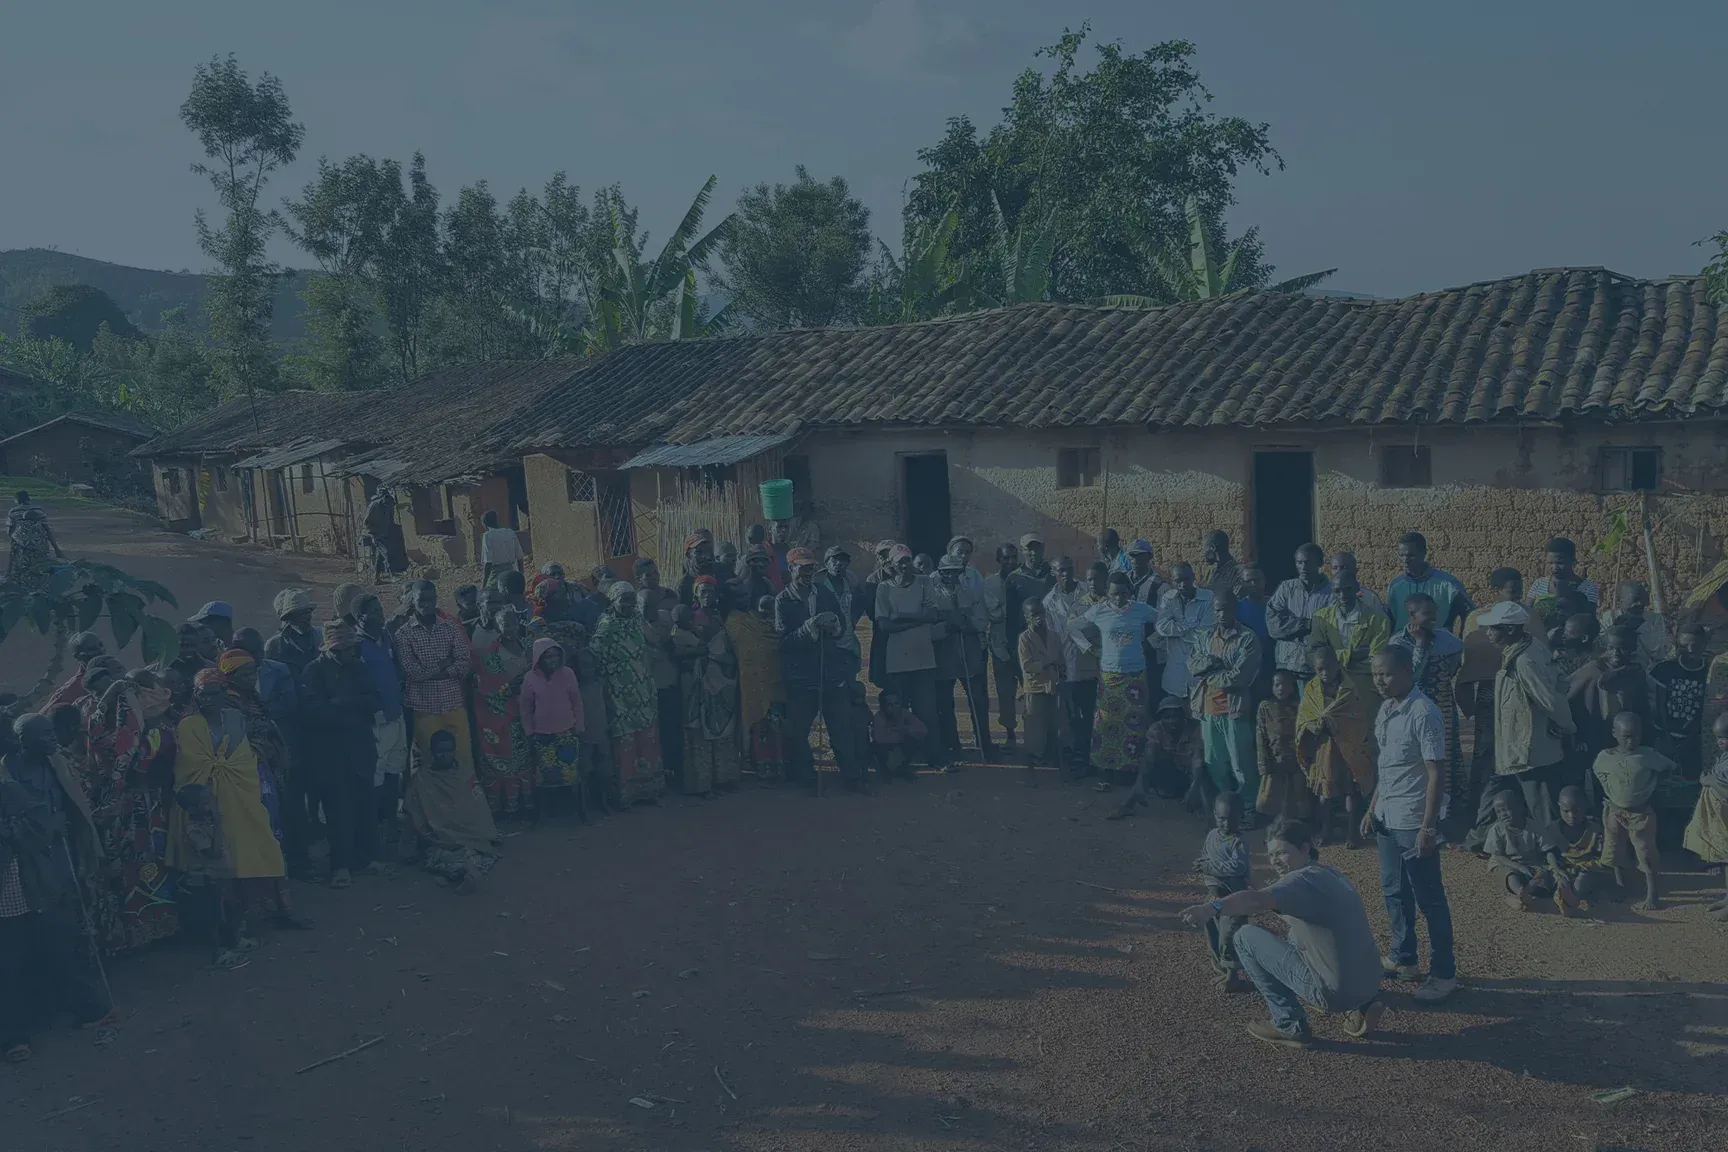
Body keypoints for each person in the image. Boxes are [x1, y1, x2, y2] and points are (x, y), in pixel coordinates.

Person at [1179, 818, 1384, 1047]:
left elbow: (1256, 902)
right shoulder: (1329, 874)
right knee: (1297, 934)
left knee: (1244, 937)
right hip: (1371, 980)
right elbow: (1273, 904)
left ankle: (1289, 1024)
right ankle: (1363, 1005)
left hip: (1336, 993)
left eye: (1282, 853)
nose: (1276, 861)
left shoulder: (1299, 881)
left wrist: (1211, 908)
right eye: (1272, 855)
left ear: (1305, 848)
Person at [0, 714, 113, 1060]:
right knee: (9, 964)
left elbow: (35, 820)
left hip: (29, 877)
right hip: (12, 883)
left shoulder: (7, 781)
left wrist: (43, 827)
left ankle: (87, 1012)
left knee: (57, 944)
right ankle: (13, 1038)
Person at [171, 670, 288, 969]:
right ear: (195, 696)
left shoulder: (236, 720)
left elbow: (244, 762)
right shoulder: (189, 726)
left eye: (213, 692)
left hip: (241, 802)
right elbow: (191, 769)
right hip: (206, 811)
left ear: (225, 693)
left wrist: (226, 774)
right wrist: (214, 787)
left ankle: (239, 933)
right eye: (202, 693)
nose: (207, 698)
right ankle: (220, 945)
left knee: (255, 855)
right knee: (216, 883)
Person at [1366, 646, 1457, 1002]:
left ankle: (1444, 974)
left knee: (1429, 898)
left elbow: (1436, 773)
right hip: (1388, 815)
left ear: (1407, 672)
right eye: (1376, 674)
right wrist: (1372, 806)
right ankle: (1404, 958)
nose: (1380, 680)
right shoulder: (1386, 709)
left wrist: (1428, 827)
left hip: (1413, 819)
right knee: (1393, 891)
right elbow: (1388, 767)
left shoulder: (1424, 712)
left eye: (1386, 674)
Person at [77, 657, 179, 952]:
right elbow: (135, 759)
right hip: (133, 809)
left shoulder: (112, 721)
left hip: (144, 805)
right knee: (139, 867)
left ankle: (156, 926)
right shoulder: (116, 727)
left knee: (152, 863)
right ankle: (144, 929)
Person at [1471, 600, 1575, 851]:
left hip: (1528, 748)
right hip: (1513, 744)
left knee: (1540, 805)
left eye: (1493, 628)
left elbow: (1549, 699)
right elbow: (1560, 680)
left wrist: (1566, 726)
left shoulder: (1524, 661)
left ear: (1509, 630)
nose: (1488, 633)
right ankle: (1480, 841)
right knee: (1496, 792)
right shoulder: (1532, 647)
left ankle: (1556, 853)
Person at [299, 621, 381, 889]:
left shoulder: (359, 667)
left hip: (361, 748)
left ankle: (363, 859)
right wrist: (350, 707)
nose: (349, 652)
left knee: (364, 807)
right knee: (337, 812)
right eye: (343, 648)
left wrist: (341, 702)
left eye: (350, 647)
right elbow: (315, 714)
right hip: (330, 755)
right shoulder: (314, 671)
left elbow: (373, 700)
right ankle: (340, 866)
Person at [778, 549, 866, 791]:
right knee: (798, 732)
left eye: (811, 568)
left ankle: (853, 778)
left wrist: (834, 625)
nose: (807, 573)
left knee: (841, 731)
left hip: (831, 672)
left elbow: (842, 624)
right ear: (791, 569)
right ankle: (807, 778)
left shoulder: (824, 593)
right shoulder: (783, 601)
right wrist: (809, 629)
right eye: (802, 568)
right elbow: (783, 642)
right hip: (802, 677)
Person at [1072, 572, 1160, 787]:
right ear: (1108, 593)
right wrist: (1091, 648)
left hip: (1135, 675)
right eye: (1114, 593)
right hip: (1110, 676)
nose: (1119, 597)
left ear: (1129, 591)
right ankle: (1106, 772)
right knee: (1106, 724)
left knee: (1134, 724)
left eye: (1123, 592)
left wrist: (1151, 642)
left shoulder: (1140, 609)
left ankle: (1128, 772)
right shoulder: (1099, 610)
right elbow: (1072, 626)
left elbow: (1165, 621)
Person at [1456, 569, 1525, 837]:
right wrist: (1470, 707)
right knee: (1486, 760)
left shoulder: (1527, 616)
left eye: (1520, 590)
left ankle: (1516, 819)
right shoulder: (1478, 620)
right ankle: (1480, 822)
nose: (1517, 595)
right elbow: (1468, 664)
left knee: (1517, 758)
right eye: (1511, 590)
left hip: (1520, 699)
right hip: (1490, 696)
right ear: (1496, 591)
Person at [1388, 592, 1466, 822]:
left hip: (1442, 710)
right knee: (1418, 761)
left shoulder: (1445, 638)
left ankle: (1445, 817)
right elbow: (1409, 678)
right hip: (1412, 713)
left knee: (1444, 760)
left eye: (1436, 614)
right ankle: (1417, 817)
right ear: (1411, 615)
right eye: (1428, 615)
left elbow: (1457, 657)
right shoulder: (1398, 643)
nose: (1435, 619)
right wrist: (1421, 646)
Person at [1187, 588, 1263, 819]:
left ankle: (1249, 807)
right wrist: (1211, 664)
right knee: (1215, 761)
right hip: (1208, 709)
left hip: (1234, 708)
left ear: (1235, 609)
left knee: (1242, 763)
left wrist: (1209, 674)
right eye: (1218, 609)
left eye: (1226, 609)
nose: (1221, 614)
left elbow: (1240, 677)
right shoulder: (1204, 637)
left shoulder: (1247, 638)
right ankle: (1227, 807)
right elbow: (1192, 664)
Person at [590, 582, 665, 806]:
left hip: (643, 690)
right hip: (619, 693)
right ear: (613, 601)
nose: (630, 604)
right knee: (625, 741)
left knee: (647, 738)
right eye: (624, 600)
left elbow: (652, 642)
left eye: (632, 599)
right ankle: (626, 794)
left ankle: (649, 790)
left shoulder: (636, 620)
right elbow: (595, 656)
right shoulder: (606, 625)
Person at [398, 729, 501, 890]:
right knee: (437, 857)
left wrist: (485, 833)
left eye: (448, 751)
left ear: (454, 750)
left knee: (473, 853)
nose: (445, 755)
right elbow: (411, 812)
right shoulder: (421, 779)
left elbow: (480, 809)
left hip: (470, 835)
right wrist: (408, 849)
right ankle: (467, 872)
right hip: (439, 838)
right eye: (440, 751)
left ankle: (463, 872)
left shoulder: (466, 774)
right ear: (432, 752)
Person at [1296, 642, 1375, 848]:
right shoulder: (1311, 689)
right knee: (1325, 794)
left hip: (1348, 748)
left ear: (1338, 664)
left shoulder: (1349, 688)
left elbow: (1357, 718)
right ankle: (1326, 830)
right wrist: (1314, 726)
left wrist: (1335, 723)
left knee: (1351, 792)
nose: (1324, 673)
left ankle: (1352, 833)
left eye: (1328, 668)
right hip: (1324, 748)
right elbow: (1304, 718)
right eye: (1319, 669)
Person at [874, 544, 944, 771]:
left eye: (908, 560)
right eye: (900, 562)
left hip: (923, 657)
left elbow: (933, 615)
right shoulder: (884, 588)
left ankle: (935, 756)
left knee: (927, 712)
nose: (905, 565)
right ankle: (901, 761)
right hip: (896, 661)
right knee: (897, 713)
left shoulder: (924, 582)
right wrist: (919, 619)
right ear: (892, 565)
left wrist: (900, 617)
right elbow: (884, 624)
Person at [1592, 711, 1670, 911]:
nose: (1631, 741)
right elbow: (1598, 772)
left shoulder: (1647, 755)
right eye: (1626, 736)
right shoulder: (1604, 757)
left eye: (1636, 735)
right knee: (1615, 849)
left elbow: (1667, 767)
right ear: (1614, 734)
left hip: (1641, 814)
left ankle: (1652, 894)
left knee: (1645, 852)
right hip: (1614, 812)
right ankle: (1620, 887)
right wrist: (1610, 791)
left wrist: (1652, 784)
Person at [396, 580, 475, 775]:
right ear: (412, 601)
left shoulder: (450, 627)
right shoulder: (403, 634)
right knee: (427, 764)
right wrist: (444, 664)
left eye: (430, 599)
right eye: (421, 600)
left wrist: (430, 674)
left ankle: (463, 804)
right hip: (423, 709)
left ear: (436, 599)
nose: (426, 605)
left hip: (453, 705)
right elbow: (412, 673)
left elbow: (464, 664)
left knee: (462, 760)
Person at [351, 596, 407, 845]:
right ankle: (372, 830)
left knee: (396, 768)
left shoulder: (386, 638)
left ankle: (391, 821)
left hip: (396, 715)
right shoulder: (355, 646)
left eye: (380, 609)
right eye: (373, 612)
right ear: (359, 618)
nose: (380, 615)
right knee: (377, 775)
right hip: (376, 721)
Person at [471, 605, 533, 817]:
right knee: (502, 763)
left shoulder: (528, 647)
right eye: (505, 625)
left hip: (527, 714)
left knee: (525, 762)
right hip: (501, 716)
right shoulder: (490, 656)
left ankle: (526, 806)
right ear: (497, 628)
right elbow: (487, 688)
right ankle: (505, 809)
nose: (511, 629)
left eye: (514, 623)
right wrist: (509, 690)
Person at [681, 589, 743, 795]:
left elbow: (731, 651)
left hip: (722, 684)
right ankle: (701, 784)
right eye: (703, 592)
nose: (708, 595)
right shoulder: (687, 618)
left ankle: (725, 779)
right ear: (695, 595)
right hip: (697, 687)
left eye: (711, 592)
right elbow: (679, 652)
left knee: (723, 731)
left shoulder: (722, 618)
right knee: (699, 734)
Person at [932, 552, 992, 763]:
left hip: (970, 652)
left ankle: (985, 744)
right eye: (946, 573)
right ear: (940, 573)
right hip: (943, 655)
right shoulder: (932, 595)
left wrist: (966, 624)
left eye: (955, 572)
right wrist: (947, 626)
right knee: (945, 704)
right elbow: (929, 629)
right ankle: (952, 745)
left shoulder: (970, 593)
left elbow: (982, 621)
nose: (951, 576)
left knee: (978, 700)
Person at [1043, 558, 1101, 771]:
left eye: (1068, 570)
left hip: (1091, 661)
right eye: (1060, 571)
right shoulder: (1049, 602)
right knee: (1072, 715)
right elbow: (1051, 635)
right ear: (1054, 573)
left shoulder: (1088, 591)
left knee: (1092, 711)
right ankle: (1076, 756)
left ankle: (1092, 755)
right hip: (1065, 662)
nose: (1065, 574)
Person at [519, 635, 587, 818]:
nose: (552, 660)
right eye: (547, 656)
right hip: (542, 736)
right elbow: (525, 708)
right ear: (538, 658)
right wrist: (529, 732)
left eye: (555, 655)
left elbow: (577, 703)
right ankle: (546, 814)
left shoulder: (568, 674)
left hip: (567, 733)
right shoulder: (530, 679)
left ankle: (575, 812)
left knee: (571, 776)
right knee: (545, 777)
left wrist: (579, 726)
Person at [1569, 623, 1655, 765]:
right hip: (1597, 734)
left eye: (1622, 649)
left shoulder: (1636, 672)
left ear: (1633, 648)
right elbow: (1570, 697)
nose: (1616, 654)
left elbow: (1642, 706)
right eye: (1611, 648)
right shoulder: (1593, 670)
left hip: (1627, 737)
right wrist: (1578, 735)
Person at [1109, 696, 1202, 818]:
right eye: (1167, 717)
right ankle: (1126, 805)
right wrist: (1141, 783)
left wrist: (1195, 785)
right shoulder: (1156, 728)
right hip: (1167, 779)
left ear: (1183, 716)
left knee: (1203, 772)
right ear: (1161, 718)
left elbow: (1198, 758)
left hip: (1189, 777)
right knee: (1148, 760)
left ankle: (1208, 816)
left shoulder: (1195, 727)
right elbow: (1149, 756)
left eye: (1175, 716)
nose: (1171, 721)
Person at [727, 587, 785, 782]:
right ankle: (760, 768)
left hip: (774, 682)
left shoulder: (763, 621)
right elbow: (745, 651)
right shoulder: (735, 622)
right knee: (757, 727)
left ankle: (779, 765)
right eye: (739, 595)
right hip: (751, 684)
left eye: (746, 594)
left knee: (776, 724)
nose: (744, 598)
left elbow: (776, 642)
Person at [1195, 791, 1252, 986]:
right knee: (1212, 931)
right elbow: (1206, 855)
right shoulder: (1212, 835)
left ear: (1241, 818)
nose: (1226, 824)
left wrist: (1209, 867)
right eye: (1221, 818)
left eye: (1231, 819)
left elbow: (1239, 866)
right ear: (1214, 814)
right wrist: (1202, 863)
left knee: (1229, 936)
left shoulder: (1238, 842)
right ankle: (1221, 968)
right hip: (1214, 897)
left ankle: (1232, 975)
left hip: (1233, 899)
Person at [1483, 789, 1563, 911]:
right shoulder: (1497, 830)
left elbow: (1548, 851)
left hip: (1531, 863)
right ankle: (1519, 891)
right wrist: (1518, 867)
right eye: (1498, 812)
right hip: (1506, 861)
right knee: (1509, 875)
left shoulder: (1534, 827)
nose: (1503, 814)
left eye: (1506, 809)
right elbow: (1499, 856)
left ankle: (1528, 891)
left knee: (1544, 874)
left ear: (1520, 808)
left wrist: (1555, 867)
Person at [1650, 622, 1709, 779]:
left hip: (1695, 737)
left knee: (1691, 779)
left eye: (1695, 645)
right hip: (1665, 734)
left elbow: (1708, 707)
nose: (1690, 649)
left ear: (1704, 644)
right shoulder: (1666, 669)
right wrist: (1665, 735)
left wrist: (1693, 735)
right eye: (1684, 645)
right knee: (1664, 779)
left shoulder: (1710, 671)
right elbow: (1659, 704)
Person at [1684, 712, 1728, 922]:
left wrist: (1710, 782)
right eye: (1719, 738)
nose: (1722, 742)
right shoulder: (1724, 757)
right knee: (1725, 860)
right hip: (1720, 818)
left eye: (1726, 737)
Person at [1385, 532, 1472, 633]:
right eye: (1402, 555)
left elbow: (1469, 614)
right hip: (1403, 645)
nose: (1405, 560)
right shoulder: (1395, 586)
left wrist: (1464, 637)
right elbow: (1391, 620)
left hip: (1438, 645)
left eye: (1410, 555)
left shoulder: (1447, 585)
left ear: (1424, 553)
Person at [1267, 544, 1331, 682]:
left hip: (1316, 668)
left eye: (1308, 562)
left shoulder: (1331, 592)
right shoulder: (1286, 589)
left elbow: (1329, 629)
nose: (1303, 567)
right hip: (1286, 666)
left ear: (1320, 563)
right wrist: (1305, 624)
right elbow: (1273, 626)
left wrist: (1290, 630)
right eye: (1299, 562)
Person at [1017, 597, 1065, 782]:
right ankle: (1034, 759)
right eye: (1033, 615)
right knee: (1035, 724)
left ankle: (1052, 754)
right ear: (1026, 617)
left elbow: (1060, 659)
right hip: (1035, 687)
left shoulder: (1054, 636)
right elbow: (1027, 666)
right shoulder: (1024, 638)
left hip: (1053, 684)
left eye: (1041, 613)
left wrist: (1060, 668)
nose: (1038, 618)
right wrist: (1048, 663)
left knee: (1053, 722)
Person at [1256, 670, 1311, 827]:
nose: (1281, 688)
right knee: (1273, 801)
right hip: (1274, 762)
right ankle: (1275, 831)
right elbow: (1261, 736)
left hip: (1296, 761)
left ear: (1292, 687)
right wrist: (1264, 765)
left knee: (1296, 798)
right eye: (1277, 685)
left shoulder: (1300, 707)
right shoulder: (1265, 707)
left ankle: (1295, 831)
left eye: (1285, 684)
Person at [982, 542, 1022, 747]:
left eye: (1014, 557)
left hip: (1025, 648)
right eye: (1006, 558)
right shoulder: (989, 584)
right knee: (1005, 693)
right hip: (1000, 646)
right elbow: (993, 614)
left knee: (1032, 692)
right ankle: (1010, 734)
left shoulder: (1025, 580)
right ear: (998, 560)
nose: (1011, 562)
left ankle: (1035, 734)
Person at [1155, 562, 1214, 700]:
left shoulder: (1208, 598)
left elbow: (1205, 634)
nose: (1182, 585)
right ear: (1172, 581)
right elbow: (1162, 627)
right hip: (1174, 675)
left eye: (1186, 579)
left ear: (1193, 577)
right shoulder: (1168, 598)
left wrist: (1176, 631)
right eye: (1177, 581)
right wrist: (1190, 626)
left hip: (1200, 675)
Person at [1548, 784, 1608, 914]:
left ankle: (1571, 901)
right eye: (1566, 811)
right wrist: (1558, 870)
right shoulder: (1553, 829)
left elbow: (1600, 855)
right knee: (1558, 878)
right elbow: (1550, 853)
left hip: (1586, 867)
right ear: (1559, 806)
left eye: (1577, 810)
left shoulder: (1594, 829)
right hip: (1563, 868)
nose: (1571, 816)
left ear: (1585, 806)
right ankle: (1565, 895)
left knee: (1584, 877)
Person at [1599, 580, 1669, 667]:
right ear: (1621, 600)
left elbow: (1661, 653)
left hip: (1646, 671)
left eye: (1642, 599)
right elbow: (1601, 650)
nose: (1639, 604)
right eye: (1635, 599)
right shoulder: (1609, 618)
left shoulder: (1655, 620)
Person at [5, 490, 65, 587]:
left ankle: (12, 577)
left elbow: (9, 532)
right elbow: (47, 530)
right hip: (39, 544)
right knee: (41, 566)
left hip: (21, 545)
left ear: (17, 500)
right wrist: (56, 549)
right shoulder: (39, 510)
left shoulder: (13, 511)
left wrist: (18, 538)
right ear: (28, 499)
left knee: (20, 565)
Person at [869, 689, 927, 782]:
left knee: (914, 740)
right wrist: (900, 733)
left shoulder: (905, 714)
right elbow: (879, 738)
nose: (894, 707)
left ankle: (903, 769)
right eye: (890, 705)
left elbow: (922, 729)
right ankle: (885, 771)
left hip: (899, 747)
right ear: (882, 706)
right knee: (879, 747)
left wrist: (905, 730)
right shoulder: (879, 718)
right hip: (887, 749)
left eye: (897, 703)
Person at [1528, 537, 1598, 611]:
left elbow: (1589, 618)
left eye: (1560, 563)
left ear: (1573, 562)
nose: (1554, 567)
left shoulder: (1588, 588)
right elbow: (1527, 613)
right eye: (1550, 563)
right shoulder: (1539, 584)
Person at [44, 632, 107, 711]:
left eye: (101, 645)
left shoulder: (117, 673)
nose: (100, 651)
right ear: (78, 656)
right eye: (92, 649)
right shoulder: (70, 690)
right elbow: (43, 718)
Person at [1328, 552, 1388, 619]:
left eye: (1343, 567)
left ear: (1355, 571)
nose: (1339, 571)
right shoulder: (1325, 595)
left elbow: (1381, 623)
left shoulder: (1370, 597)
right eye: (1335, 568)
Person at [479, 509, 523, 588]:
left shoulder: (487, 536)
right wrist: (521, 577)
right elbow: (520, 558)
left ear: (484, 524)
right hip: (511, 573)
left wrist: (483, 586)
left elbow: (488, 563)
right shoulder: (510, 533)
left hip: (496, 575)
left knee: (490, 596)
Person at [1200, 531, 1239, 601]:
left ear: (1213, 547)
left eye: (1204, 549)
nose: (1203, 554)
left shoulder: (1236, 573)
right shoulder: (1210, 571)